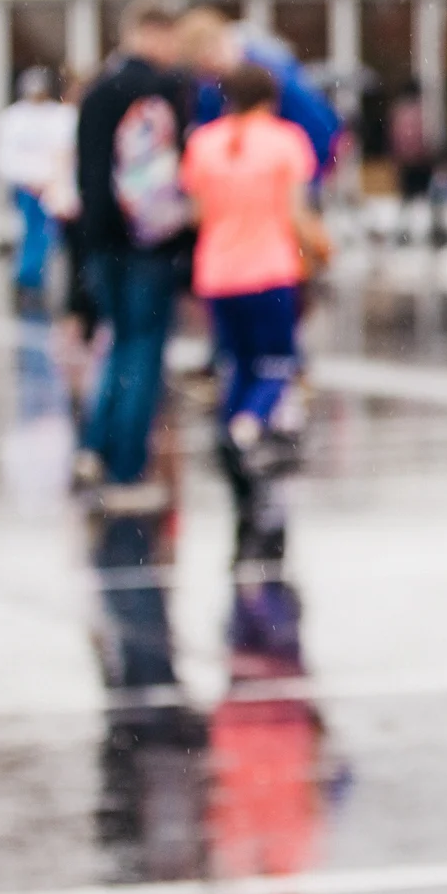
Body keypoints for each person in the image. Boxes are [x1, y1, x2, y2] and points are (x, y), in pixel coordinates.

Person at [179, 61, 327, 562]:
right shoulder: (286, 142)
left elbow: (196, 213)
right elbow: (295, 213)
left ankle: (233, 434)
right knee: (278, 364)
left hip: (218, 272)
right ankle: (247, 427)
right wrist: (322, 246)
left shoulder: (203, 143)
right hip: (270, 270)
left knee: (237, 364)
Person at [73, 0, 196, 502]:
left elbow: (87, 176)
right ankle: (127, 465)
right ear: (155, 33)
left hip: (103, 240)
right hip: (149, 241)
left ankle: (92, 448)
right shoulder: (164, 91)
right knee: (144, 352)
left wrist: (91, 240)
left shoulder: (98, 91)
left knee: (115, 342)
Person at [176, 7, 343, 180]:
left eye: (204, 64)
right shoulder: (209, 87)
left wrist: (307, 180)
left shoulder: (272, 72)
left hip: (282, 173)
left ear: (216, 46)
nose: (205, 74)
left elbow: (318, 125)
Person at [0, 67, 77, 299]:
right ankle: (29, 281)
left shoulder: (60, 115)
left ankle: (51, 284)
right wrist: (30, 179)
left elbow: (66, 151)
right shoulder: (13, 118)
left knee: (55, 240)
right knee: (29, 236)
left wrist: (52, 181)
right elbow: (5, 157)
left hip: (54, 188)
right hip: (26, 190)